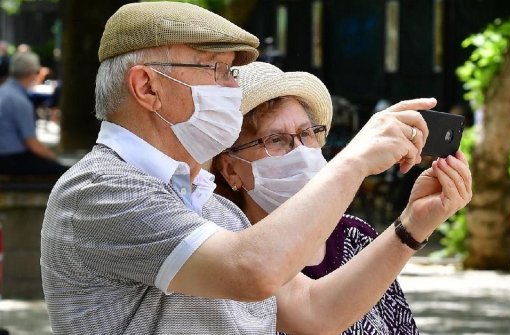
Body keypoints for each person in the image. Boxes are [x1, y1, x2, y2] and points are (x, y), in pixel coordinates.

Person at [41, 2, 472, 334]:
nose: (232, 88)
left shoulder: (217, 211)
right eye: (219, 71)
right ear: (147, 87)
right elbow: (252, 272)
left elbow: (313, 313)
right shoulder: (100, 190)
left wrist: (410, 227)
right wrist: (354, 161)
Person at [210, 61, 419, 334]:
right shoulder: (225, 249)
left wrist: (420, 218)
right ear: (230, 169)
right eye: (275, 140)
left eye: (306, 134)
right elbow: (312, 312)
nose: (299, 151)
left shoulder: (355, 236)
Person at [0, 51, 67, 175]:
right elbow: (32, 143)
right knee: (64, 173)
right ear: (30, 73)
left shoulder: (4, 91)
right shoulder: (19, 100)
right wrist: (54, 159)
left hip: (7, 156)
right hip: (10, 159)